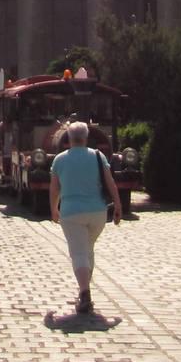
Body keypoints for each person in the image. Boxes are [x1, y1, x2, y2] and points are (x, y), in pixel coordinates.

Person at [48, 120, 121, 314]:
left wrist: (54, 209)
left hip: (71, 212)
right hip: (98, 212)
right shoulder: (98, 156)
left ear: (69, 139)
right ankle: (84, 292)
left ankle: (85, 292)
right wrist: (118, 205)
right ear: (87, 137)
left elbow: (55, 189)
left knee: (78, 253)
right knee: (88, 250)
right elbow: (110, 182)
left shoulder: (60, 160)